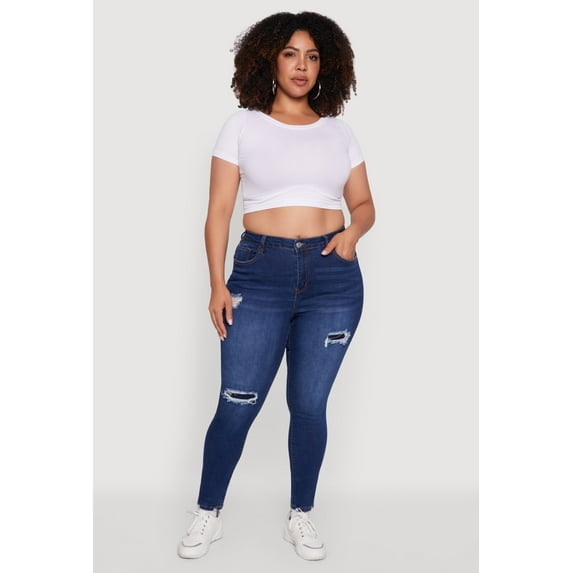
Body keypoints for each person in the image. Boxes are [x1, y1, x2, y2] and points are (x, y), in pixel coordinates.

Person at [178, 11, 375, 561]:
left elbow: (363, 203)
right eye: (291, 54)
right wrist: (216, 284)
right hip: (259, 275)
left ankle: (300, 514)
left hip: (333, 278)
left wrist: (353, 233)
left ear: (326, 66)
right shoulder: (242, 125)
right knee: (237, 402)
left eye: (312, 56)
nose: (302, 66)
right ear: (269, 59)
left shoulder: (339, 132)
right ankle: (208, 511)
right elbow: (219, 212)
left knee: (309, 406)